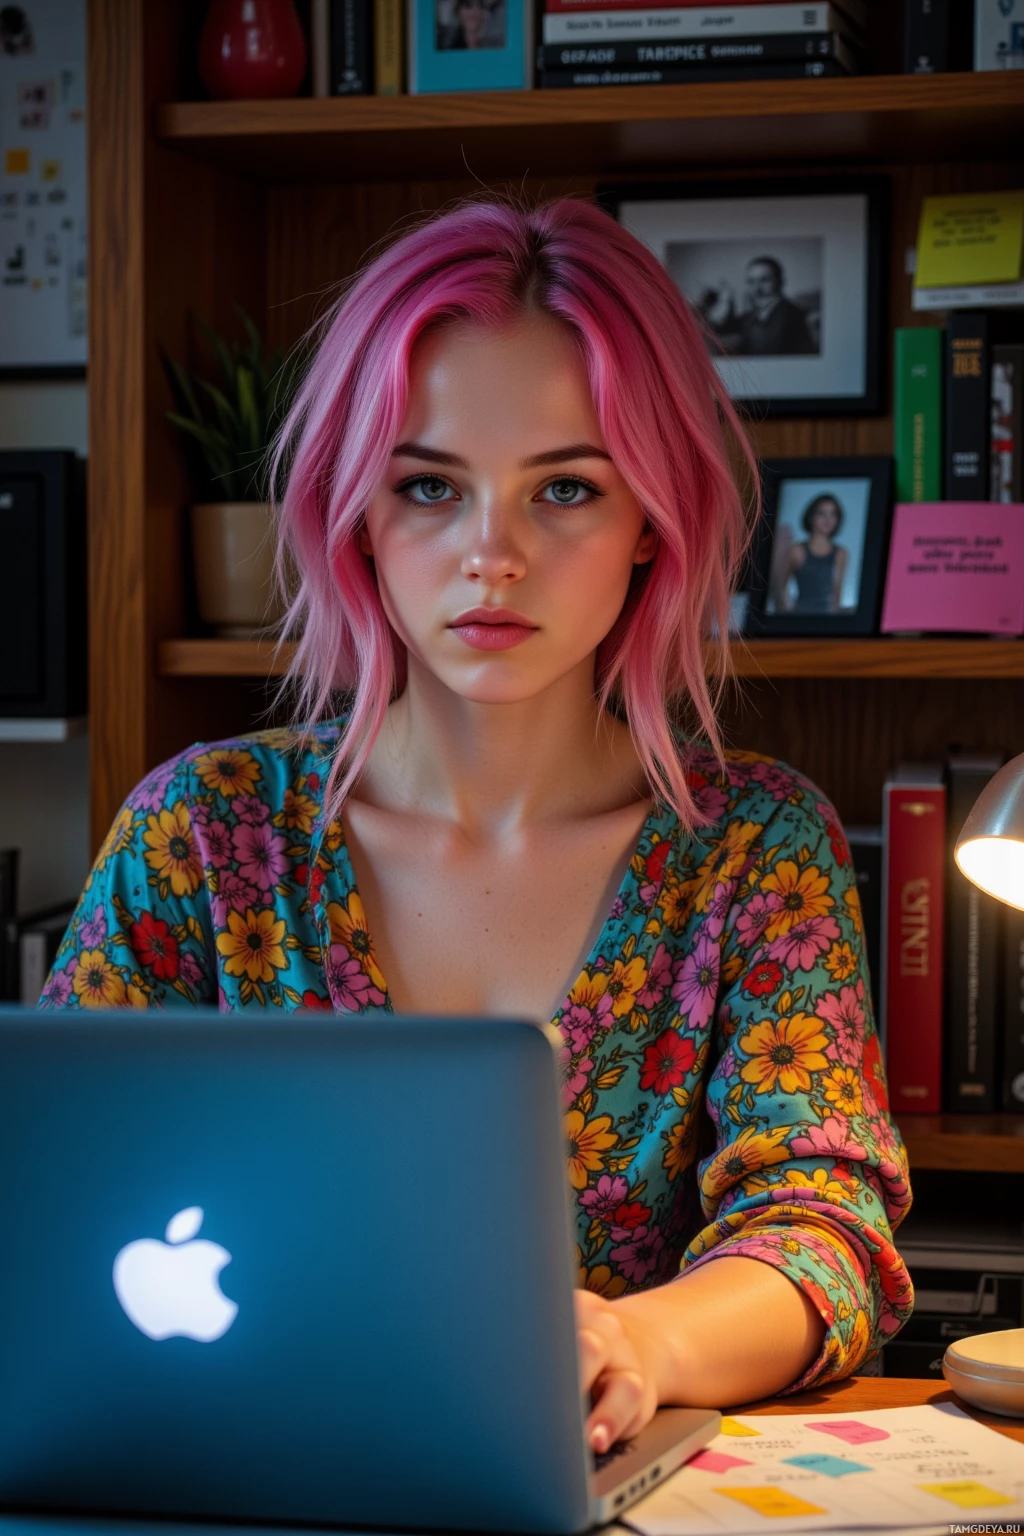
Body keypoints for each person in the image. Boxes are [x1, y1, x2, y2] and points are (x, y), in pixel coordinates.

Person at [39, 197, 912, 1452]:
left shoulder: (753, 845)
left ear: (651, 525)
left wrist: (642, 1342)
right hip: (220, 1471)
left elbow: (823, 1227)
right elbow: (55, 1184)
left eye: (563, 488)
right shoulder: (201, 832)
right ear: (354, 515)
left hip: (577, 1479)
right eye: (431, 486)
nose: (489, 555)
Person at [701, 255, 817, 357]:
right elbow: (713, 337)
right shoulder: (746, 319)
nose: (757, 289)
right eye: (751, 281)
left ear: (781, 281)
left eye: (764, 280)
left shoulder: (799, 317)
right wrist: (724, 305)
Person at [771, 494, 849, 616]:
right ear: (811, 517)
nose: (827, 520)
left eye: (833, 514)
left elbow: (837, 594)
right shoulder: (796, 550)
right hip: (799, 616)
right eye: (821, 514)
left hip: (827, 619)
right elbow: (781, 588)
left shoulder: (841, 553)